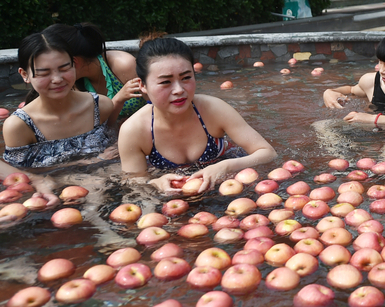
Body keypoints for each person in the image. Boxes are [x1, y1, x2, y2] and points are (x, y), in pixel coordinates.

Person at [118, 36, 277, 194]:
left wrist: (227, 166)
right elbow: (133, 182)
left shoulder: (214, 110)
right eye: (166, 82)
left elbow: (267, 153)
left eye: (186, 78)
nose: (179, 89)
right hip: (173, 197)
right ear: (143, 85)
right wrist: (153, 183)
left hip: (225, 186)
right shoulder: (134, 130)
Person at [3, 25, 115, 170]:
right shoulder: (19, 126)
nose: (57, 79)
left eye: (64, 68)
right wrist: (90, 162)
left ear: (74, 65)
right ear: (25, 75)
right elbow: (22, 174)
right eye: (44, 73)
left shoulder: (100, 106)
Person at [64, 22, 144, 122]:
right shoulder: (76, 83)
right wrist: (117, 100)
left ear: (75, 61)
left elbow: (157, 104)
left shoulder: (124, 65)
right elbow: (91, 125)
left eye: (60, 66)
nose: (55, 76)